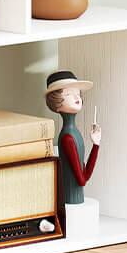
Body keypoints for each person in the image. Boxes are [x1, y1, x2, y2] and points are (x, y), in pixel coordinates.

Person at [44, 69, 100, 206]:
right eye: (69, 94)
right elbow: (82, 180)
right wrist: (96, 146)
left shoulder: (73, 134)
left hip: (75, 203)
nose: (77, 98)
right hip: (71, 203)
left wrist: (96, 142)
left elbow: (82, 175)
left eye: (78, 93)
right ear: (56, 103)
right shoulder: (67, 138)